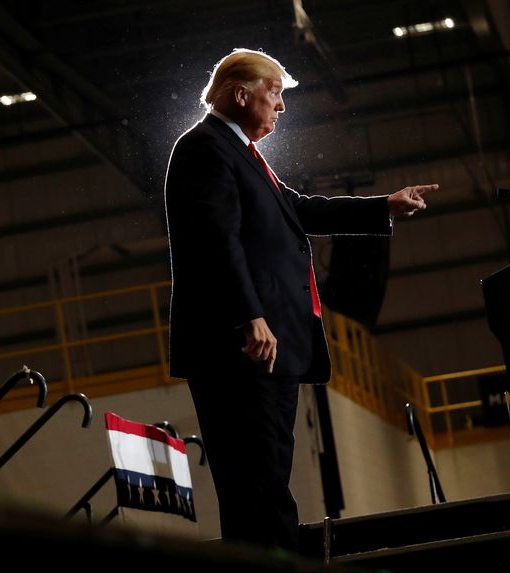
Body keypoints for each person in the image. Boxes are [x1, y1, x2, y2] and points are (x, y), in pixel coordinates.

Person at [164, 48, 438, 552]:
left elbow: (298, 209)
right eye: (275, 93)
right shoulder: (204, 148)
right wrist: (249, 315)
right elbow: (214, 240)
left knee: (267, 482)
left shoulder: (241, 154)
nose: (281, 107)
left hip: (272, 348)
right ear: (241, 94)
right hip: (242, 348)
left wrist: (383, 206)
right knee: (257, 487)